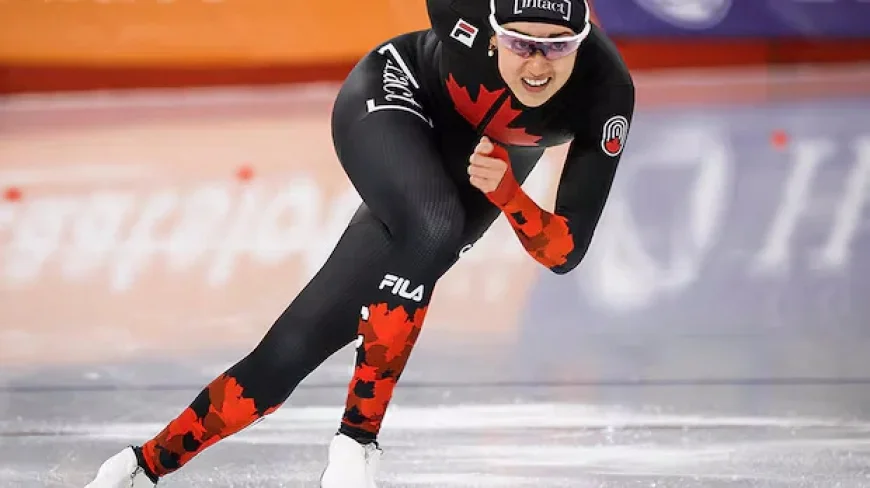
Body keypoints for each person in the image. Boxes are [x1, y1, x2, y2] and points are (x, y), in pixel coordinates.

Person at [84, 0, 634, 486]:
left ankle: (140, 467)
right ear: (491, 31)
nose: (537, 65)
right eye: (521, 44)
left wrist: (511, 194)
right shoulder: (459, 8)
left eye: (557, 48)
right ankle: (355, 445)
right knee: (434, 225)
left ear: (582, 42)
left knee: (292, 350)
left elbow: (563, 254)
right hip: (398, 91)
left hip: (490, 161)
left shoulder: (605, 92)